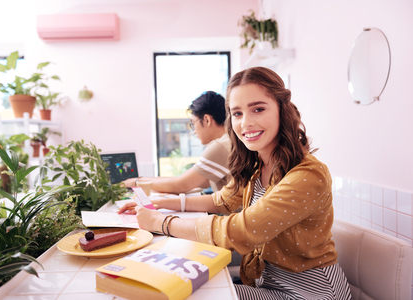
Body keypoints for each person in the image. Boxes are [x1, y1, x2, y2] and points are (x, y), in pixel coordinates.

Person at [119, 67, 352, 299]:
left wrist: (161, 222)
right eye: (237, 113)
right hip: (267, 283)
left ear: (282, 109)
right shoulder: (257, 165)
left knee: (191, 293)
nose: (245, 123)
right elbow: (221, 200)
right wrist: (158, 204)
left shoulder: (308, 174)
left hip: (311, 292)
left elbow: (242, 230)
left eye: (258, 109)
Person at [123, 91, 231, 194]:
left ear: (207, 119)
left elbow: (180, 185)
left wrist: (135, 182)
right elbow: (198, 182)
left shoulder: (219, 147)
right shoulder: (228, 141)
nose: (193, 131)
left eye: (193, 123)